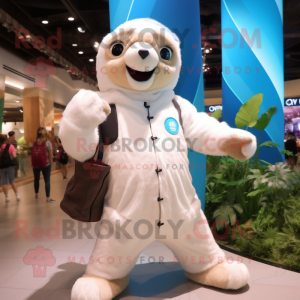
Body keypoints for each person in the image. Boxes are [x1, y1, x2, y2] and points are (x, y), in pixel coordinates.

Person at [32, 127, 55, 203]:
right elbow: (50, 155)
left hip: (35, 164)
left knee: (36, 179)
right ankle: (48, 198)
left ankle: (36, 194)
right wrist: (52, 163)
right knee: (47, 181)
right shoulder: (47, 142)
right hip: (46, 164)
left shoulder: (34, 142)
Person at [0, 134, 20, 201]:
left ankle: (7, 197)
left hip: (1, 167)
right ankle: (17, 195)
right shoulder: (10, 146)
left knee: (4, 182)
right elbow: (14, 156)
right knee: (12, 181)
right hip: (10, 166)